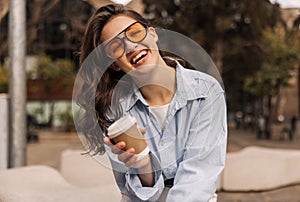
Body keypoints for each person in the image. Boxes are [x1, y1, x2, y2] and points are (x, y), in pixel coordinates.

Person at [77, 3, 227, 202]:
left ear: (152, 34)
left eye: (135, 32)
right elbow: (136, 194)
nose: (131, 46)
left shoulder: (206, 92)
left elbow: (199, 177)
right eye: (116, 46)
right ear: (113, 63)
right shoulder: (114, 110)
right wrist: (142, 165)